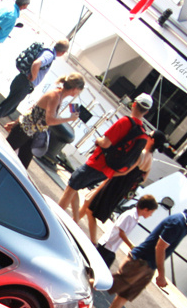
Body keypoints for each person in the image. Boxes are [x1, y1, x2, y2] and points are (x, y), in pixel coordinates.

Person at [104, 197, 187, 308]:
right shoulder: (178, 223)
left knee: (126, 295)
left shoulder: (185, 224)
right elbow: (160, 247)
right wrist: (161, 275)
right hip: (140, 262)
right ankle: (84, 288)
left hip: (148, 265)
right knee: (109, 284)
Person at [58, 93, 152, 221]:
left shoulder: (125, 121)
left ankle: (54, 218)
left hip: (97, 162)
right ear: (146, 112)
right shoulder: (143, 134)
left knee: (70, 188)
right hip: (108, 170)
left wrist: (98, 139)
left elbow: (105, 143)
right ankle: (74, 220)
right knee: (75, 187)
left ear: (134, 104)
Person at [77, 128, 159, 241]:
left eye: (149, 135)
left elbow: (126, 170)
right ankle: (73, 221)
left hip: (115, 182)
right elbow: (142, 180)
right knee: (88, 201)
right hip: (121, 188)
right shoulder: (150, 160)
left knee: (91, 208)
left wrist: (109, 173)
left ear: (152, 140)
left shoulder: (142, 154)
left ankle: (92, 241)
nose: (146, 136)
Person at [5, 73, 84, 168]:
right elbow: (50, 120)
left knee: (22, 166)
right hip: (25, 130)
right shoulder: (55, 96)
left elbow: (35, 109)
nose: (78, 94)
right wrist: (70, 118)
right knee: (4, 153)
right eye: (79, 91)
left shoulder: (58, 95)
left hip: (31, 133)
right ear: (75, 89)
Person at [0, 39, 69, 122]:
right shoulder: (50, 55)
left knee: (8, 105)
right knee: (8, 107)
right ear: (63, 52)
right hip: (25, 83)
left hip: (21, 79)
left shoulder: (46, 50)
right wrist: (34, 77)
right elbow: (36, 63)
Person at [95, 194, 158, 269]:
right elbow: (121, 232)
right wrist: (131, 246)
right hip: (107, 245)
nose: (151, 215)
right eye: (151, 212)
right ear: (145, 209)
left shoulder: (135, 218)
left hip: (111, 248)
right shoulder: (130, 216)